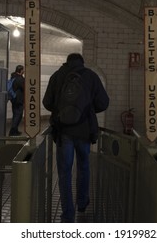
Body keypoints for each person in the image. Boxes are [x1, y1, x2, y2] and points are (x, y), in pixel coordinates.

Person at [43, 53, 109, 223]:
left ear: (67, 62)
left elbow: (47, 102)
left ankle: (67, 214)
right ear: (82, 62)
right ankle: (82, 203)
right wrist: (86, 110)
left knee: (64, 173)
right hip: (85, 131)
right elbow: (103, 102)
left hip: (64, 131)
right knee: (84, 166)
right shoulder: (91, 76)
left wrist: (62, 110)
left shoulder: (57, 76)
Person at [9, 65, 25, 136]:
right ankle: (12, 131)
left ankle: (15, 130)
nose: (24, 71)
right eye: (23, 70)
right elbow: (25, 87)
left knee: (16, 115)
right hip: (18, 100)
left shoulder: (13, 77)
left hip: (14, 99)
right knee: (18, 115)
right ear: (21, 70)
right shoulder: (19, 79)